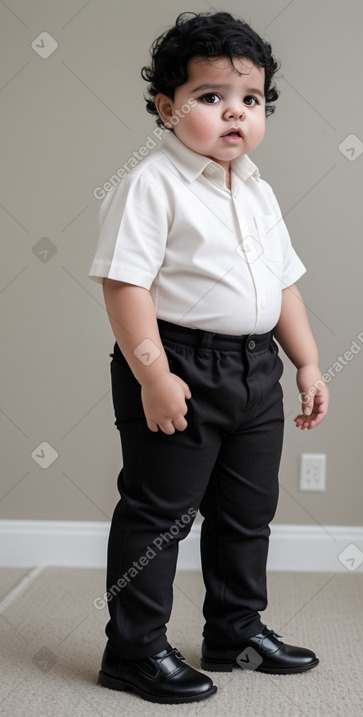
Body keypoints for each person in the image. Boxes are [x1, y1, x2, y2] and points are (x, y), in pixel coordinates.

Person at [89, 10, 329, 705]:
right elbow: (124, 284)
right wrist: (153, 375)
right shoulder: (151, 184)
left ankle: (235, 630)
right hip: (179, 365)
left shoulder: (257, 190)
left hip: (257, 370)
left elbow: (283, 285)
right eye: (211, 97)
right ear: (167, 108)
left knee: (248, 511)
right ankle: (134, 648)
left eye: (250, 100)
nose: (235, 113)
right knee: (160, 513)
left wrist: (306, 363)